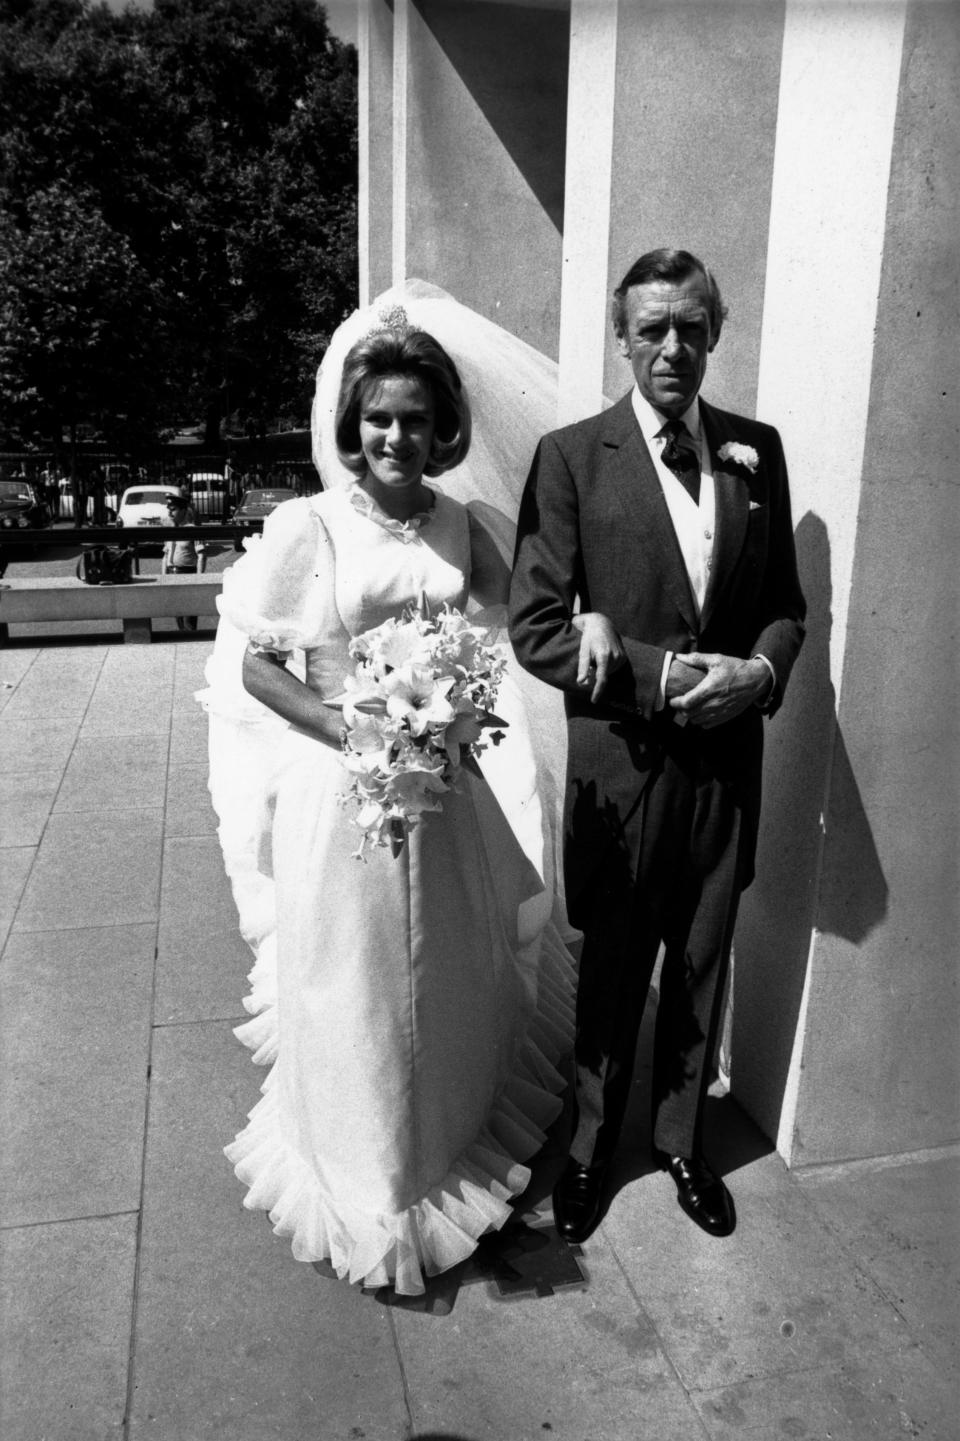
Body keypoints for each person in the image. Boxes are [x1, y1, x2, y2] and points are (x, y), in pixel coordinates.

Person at [199, 285, 575, 1295]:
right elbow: (259, 669)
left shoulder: (463, 523)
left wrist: (460, 702)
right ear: (352, 427)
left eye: (414, 418)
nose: (395, 437)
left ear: (441, 425)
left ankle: (442, 1130)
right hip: (348, 790)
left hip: (443, 788)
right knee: (359, 975)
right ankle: (368, 1162)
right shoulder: (308, 527)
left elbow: (514, 617)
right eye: (378, 419)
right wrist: (355, 730)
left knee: (449, 965)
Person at [508, 248, 806, 1243]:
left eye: (690, 326)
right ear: (623, 337)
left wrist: (760, 674)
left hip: (728, 771)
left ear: (714, 332)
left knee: (703, 959)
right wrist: (668, 677)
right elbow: (539, 626)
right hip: (625, 770)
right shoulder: (569, 457)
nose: (672, 347)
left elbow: (786, 612)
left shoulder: (757, 449)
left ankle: (682, 1141)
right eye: (652, 329)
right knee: (612, 969)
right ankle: (592, 1151)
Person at [161, 489, 206, 630]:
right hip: (171, 574)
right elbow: (165, 556)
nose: (169, 513)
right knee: (177, 614)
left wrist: (199, 579)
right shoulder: (170, 530)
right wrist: (163, 578)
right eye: (168, 509)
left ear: (183, 510)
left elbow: (201, 555)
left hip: (188, 574)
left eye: (173, 509)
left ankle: (191, 640)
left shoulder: (192, 530)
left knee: (189, 618)